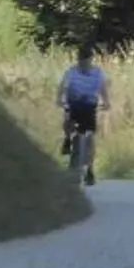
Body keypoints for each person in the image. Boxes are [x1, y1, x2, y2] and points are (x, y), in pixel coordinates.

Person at [57, 47, 110, 185]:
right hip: (74, 103)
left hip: (89, 105)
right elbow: (63, 86)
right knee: (68, 118)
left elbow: (102, 88)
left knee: (90, 137)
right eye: (81, 61)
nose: (83, 64)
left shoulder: (97, 73)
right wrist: (59, 98)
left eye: (85, 61)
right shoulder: (72, 72)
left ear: (90, 60)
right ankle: (67, 139)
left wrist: (106, 102)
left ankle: (90, 170)